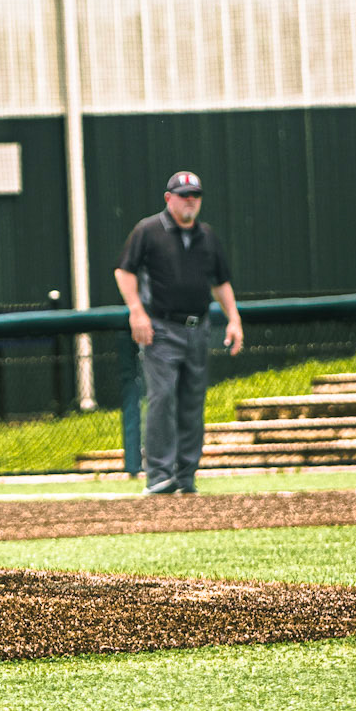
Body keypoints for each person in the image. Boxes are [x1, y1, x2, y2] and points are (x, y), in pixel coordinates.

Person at [114, 171, 244, 495]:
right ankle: (159, 476)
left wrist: (234, 319)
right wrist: (136, 311)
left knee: (192, 402)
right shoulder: (148, 230)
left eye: (195, 195)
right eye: (184, 195)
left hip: (198, 329)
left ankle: (186, 477)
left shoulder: (207, 236)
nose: (190, 201)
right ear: (168, 198)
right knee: (161, 398)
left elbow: (221, 282)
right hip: (160, 328)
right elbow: (124, 271)